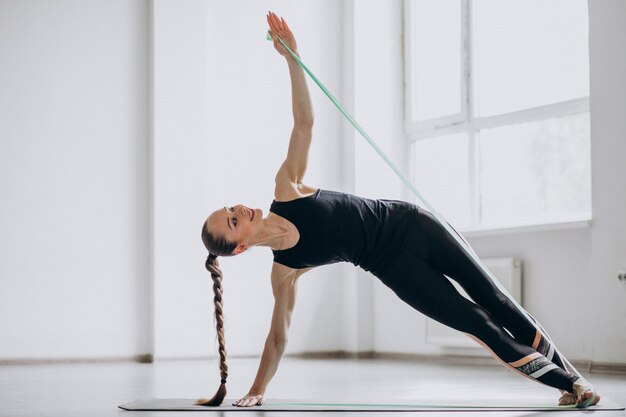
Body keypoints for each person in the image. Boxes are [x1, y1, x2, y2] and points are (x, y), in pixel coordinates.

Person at [197, 11, 600, 408]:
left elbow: (304, 123)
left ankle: (577, 381)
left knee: (495, 299)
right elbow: (278, 336)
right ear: (239, 249)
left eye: (232, 207)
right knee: (478, 324)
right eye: (233, 221)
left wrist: (293, 59)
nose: (241, 210)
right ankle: (570, 385)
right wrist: (259, 388)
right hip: (394, 269)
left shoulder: (287, 188)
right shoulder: (285, 269)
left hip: (413, 224)